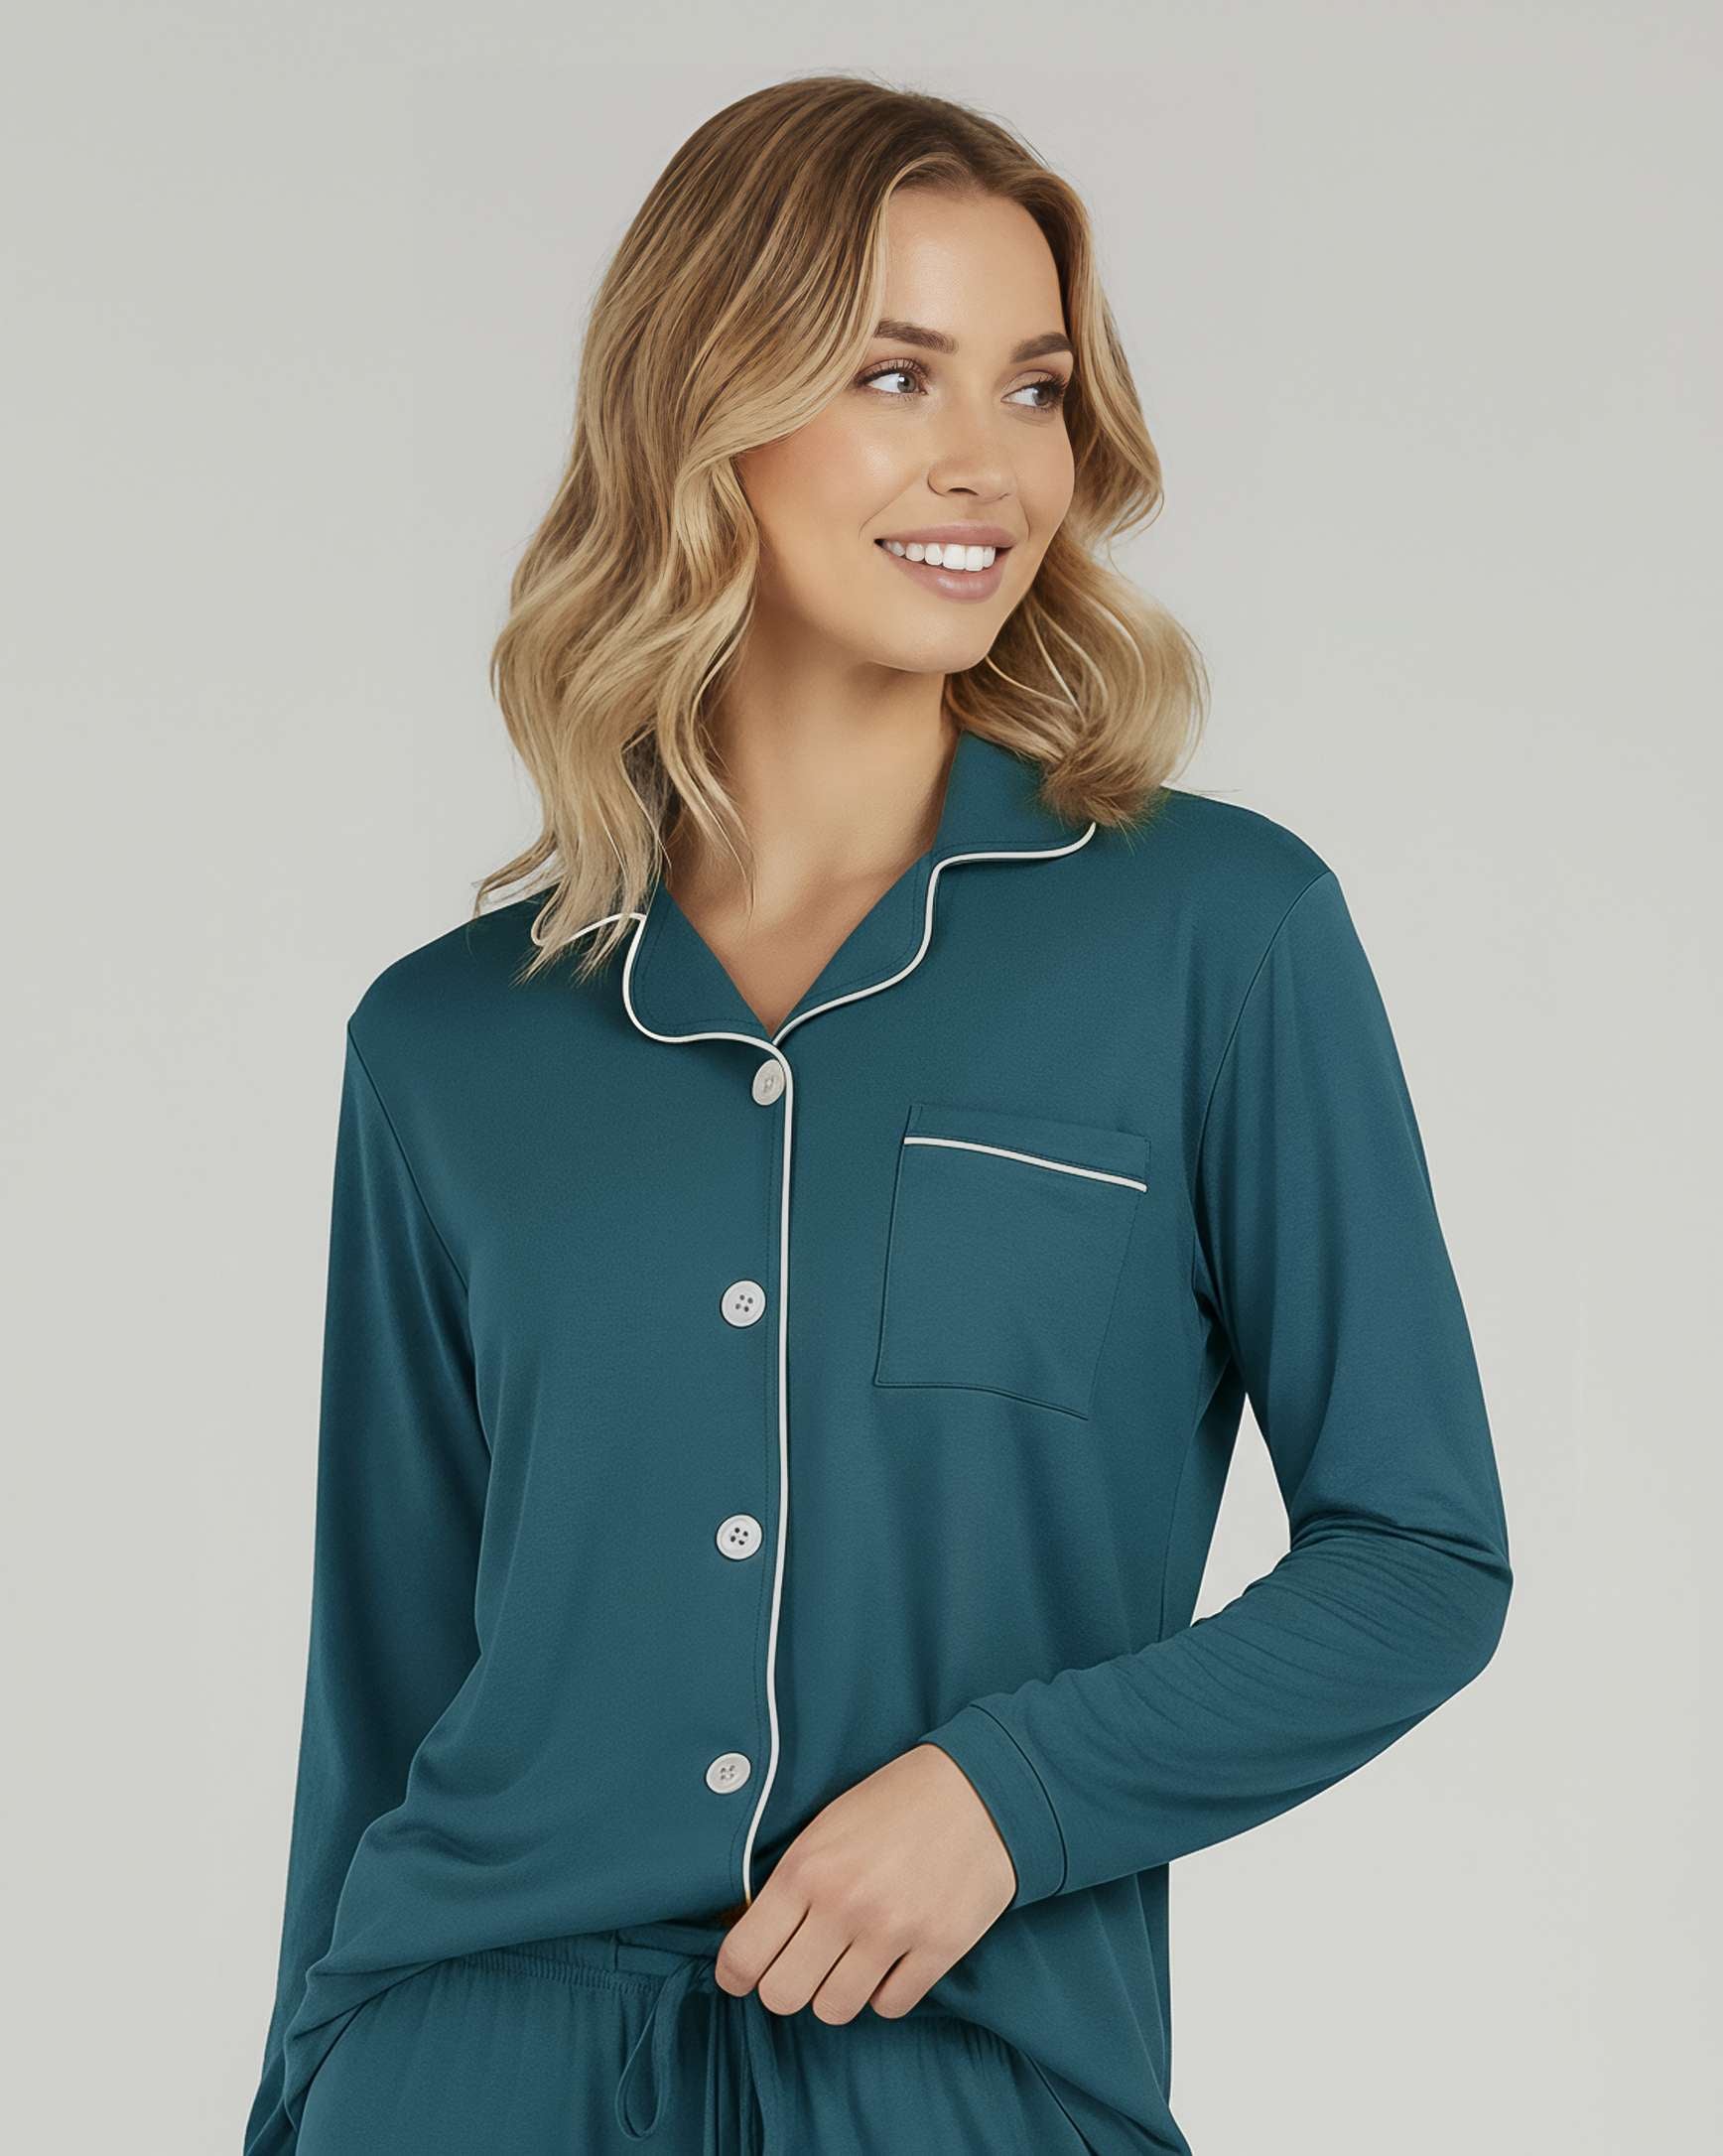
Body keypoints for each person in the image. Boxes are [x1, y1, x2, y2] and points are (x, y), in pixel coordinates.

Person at [242, 73, 1514, 2156]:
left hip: (960, 2074)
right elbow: (378, 1692)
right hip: (460, 2067)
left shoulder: (1215, 936)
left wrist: (1009, 1797)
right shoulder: (446, 1046)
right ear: (704, 409)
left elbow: (1419, 1558)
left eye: (1036, 388)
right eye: (893, 372)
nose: (987, 462)